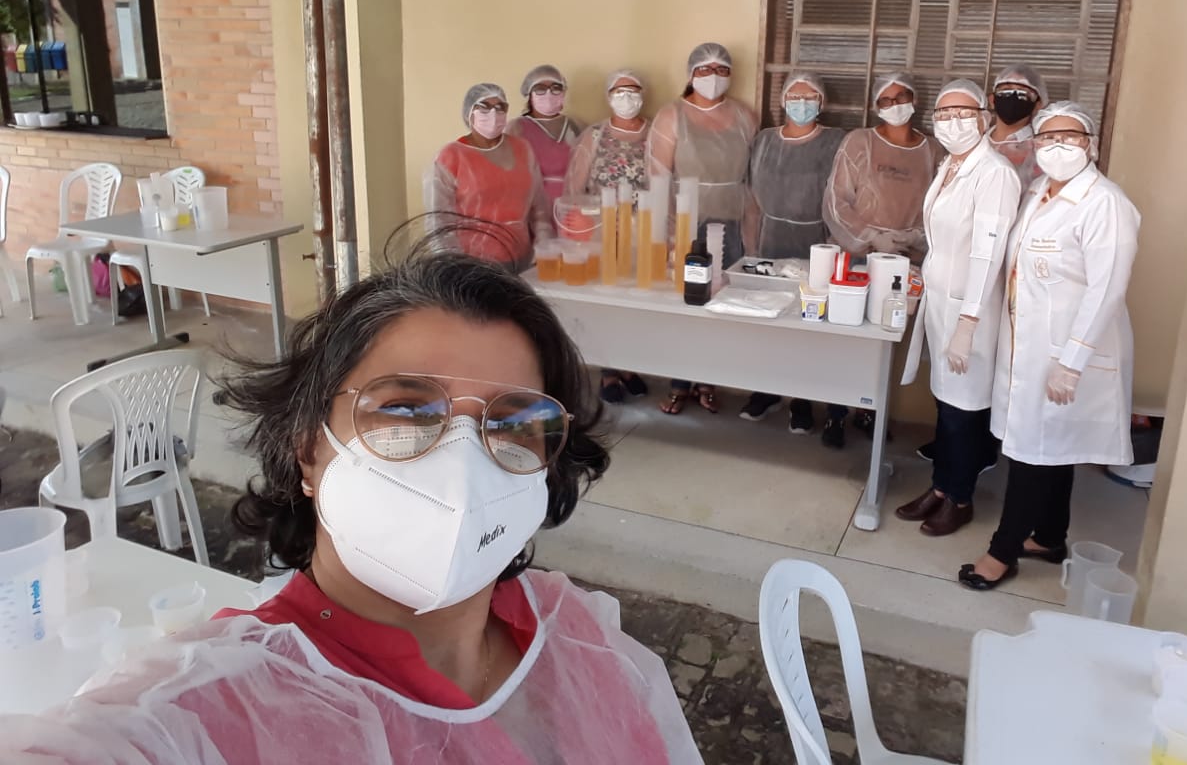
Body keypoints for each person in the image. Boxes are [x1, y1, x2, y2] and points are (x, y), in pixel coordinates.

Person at [1, 247, 702, 764]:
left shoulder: (580, 636)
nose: (461, 462)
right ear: (309, 449)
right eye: (405, 411)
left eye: (514, 422)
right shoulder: (204, 712)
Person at [959, 101, 1140, 590]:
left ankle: (1002, 552)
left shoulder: (1105, 204)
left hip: (1068, 351)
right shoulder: (1039, 191)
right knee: (1051, 446)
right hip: (1032, 346)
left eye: (1070, 138)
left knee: (1034, 452)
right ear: (1035, 144)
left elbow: (1107, 290)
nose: (1058, 147)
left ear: (1091, 145)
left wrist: (1072, 360)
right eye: (1048, 138)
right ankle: (1049, 537)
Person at [894, 80, 1022, 536]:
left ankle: (960, 498)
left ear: (984, 118)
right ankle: (941, 487)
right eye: (944, 114)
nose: (953, 122)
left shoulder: (995, 173)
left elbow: (987, 254)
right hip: (941, 303)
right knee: (946, 403)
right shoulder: (951, 164)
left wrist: (968, 322)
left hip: (972, 309)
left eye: (963, 113)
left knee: (965, 409)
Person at [821, 71, 942, 448]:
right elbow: (837, 201)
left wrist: (914, 238)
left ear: (915, 99)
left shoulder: (933, 151)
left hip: (905, 261)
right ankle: (836, 413)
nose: (894, 105)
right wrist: (870, 237)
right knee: (846, 336)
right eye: (886, 100)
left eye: (901, 97)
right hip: (855, 255)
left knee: (885, 338)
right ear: (876, 106)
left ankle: (870, 411)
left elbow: (940, 207)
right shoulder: (859, 142)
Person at [649, 42, 760, 416]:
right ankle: (679, 383)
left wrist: (752, 233)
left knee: (722, 307)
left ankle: (708, 381)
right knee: (685, 305)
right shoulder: (672, 116)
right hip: (687, 223)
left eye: (722, 69)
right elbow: (658, 177)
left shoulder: (744, 116)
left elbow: (753, 177)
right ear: (691, 74)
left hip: (732, 222)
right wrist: (666, 234)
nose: (713, 76)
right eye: (705, 69)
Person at [738, 70, 846, 433]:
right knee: (768, 322)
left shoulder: (835, 142)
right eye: (795, 97)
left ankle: (802, 400)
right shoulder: (764, 141)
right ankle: (765, 391)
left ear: (822, 102)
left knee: (808, 326)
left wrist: (834, 250)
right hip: (770, 239)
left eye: (810, 97)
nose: (802, 104)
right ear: (783, 101)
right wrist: (752, 250)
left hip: (817, 242)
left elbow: (841, 198)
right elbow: (751, 199)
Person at [565, 69, 652, 404]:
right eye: (619, 91)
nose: (626, 97)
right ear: (608, 96)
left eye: (633, 90)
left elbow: (666, 179)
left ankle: (629, 366)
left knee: (636, 300)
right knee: (605, 300)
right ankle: (608, 371)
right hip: (599, 230)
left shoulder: (655, 132)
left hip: (641, 229)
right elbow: (575, 183)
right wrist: (575, 227)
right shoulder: (595, 135)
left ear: (643, 94)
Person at [426, 83, 552, 269]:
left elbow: (539, 206)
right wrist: (454, 267)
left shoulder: (522, 149)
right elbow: (439, 221)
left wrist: (544, 243)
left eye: (499, 107)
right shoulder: (451, 156)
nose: (493, 114)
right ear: (469, 112)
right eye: (484, 107)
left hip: (521, 259)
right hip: (472, 265)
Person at [508, 64, 585, 208]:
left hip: (571, 203)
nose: (548, 94)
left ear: (563, 92)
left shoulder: (575, 126)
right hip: (532, 205)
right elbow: (509, 173)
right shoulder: (517, 128)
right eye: (540, 89)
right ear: (530, 95)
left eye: (556, 88)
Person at [987, 64, 1048, 187]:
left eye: (1022, 93)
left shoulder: (1041, 150)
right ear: (992, 100)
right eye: (1006, 90)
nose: (1013, 97)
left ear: (1038, 105)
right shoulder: (974, 139)